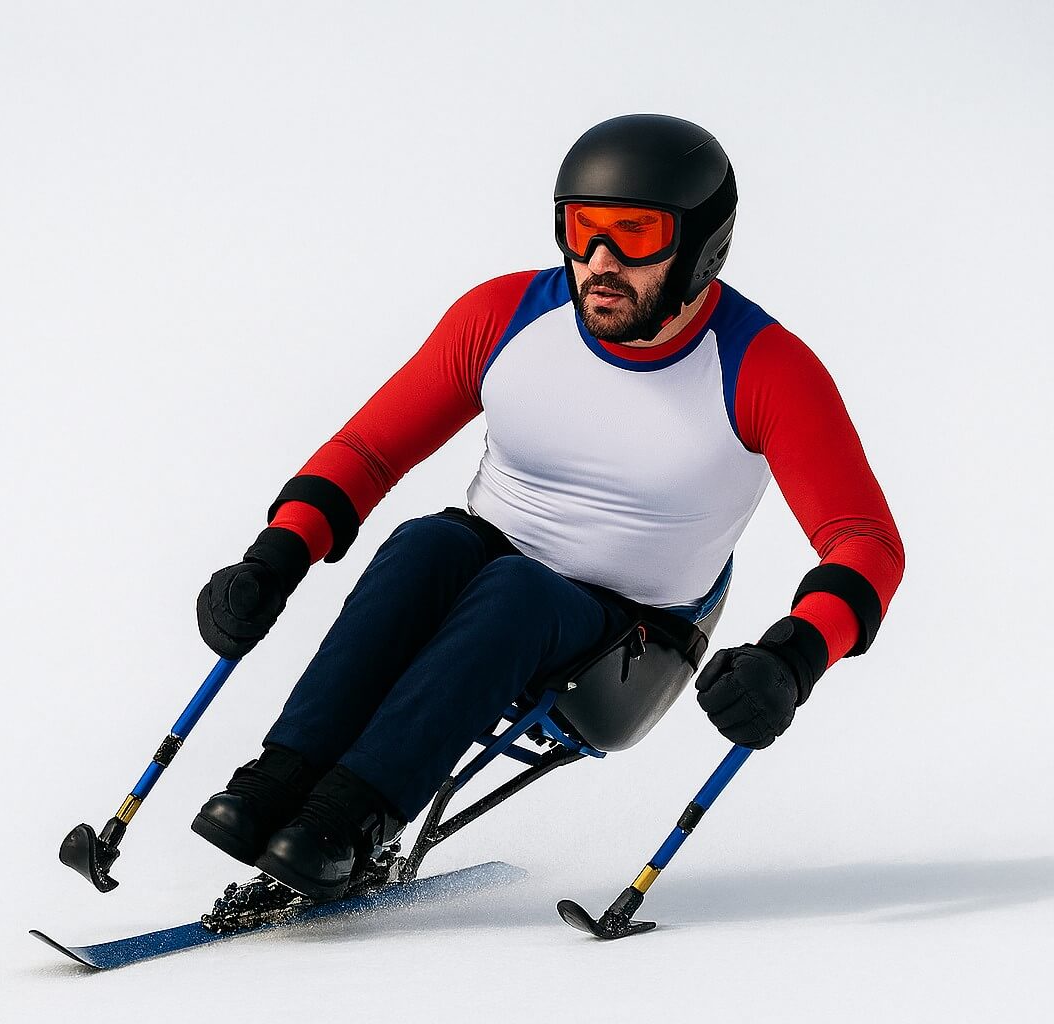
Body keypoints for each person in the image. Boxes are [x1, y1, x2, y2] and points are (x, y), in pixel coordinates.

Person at [189, 113, 905, 901]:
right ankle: (280, 780)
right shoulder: (504, 315)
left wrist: (793, 657)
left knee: (514, 593)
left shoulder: (766, 368)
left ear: (703, 244)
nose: (600, 262)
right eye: (583, 230)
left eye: (635, 234)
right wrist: (274, 556)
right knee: (422, 544)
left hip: (636, 640)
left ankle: (348, 821)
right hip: (485, 566)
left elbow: (865, 543)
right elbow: (367, 452)